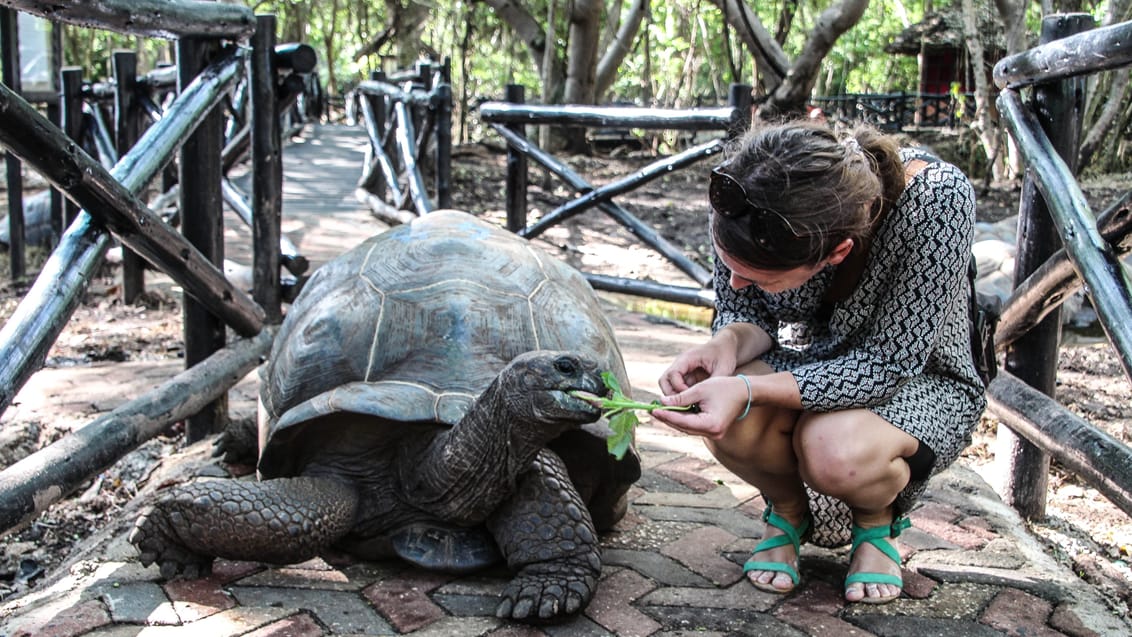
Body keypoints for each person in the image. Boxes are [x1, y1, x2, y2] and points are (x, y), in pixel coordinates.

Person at [652, 120, 987, 605]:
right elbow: (743, 311)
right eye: (731, 268)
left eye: (760, 277)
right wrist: (724, 345)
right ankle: (788, 512)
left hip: (916, 377)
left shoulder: (937, 198)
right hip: (806, 356)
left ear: (838, 252)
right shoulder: (741, 191)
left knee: (832, 447)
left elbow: (888, 362)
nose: (736, 282)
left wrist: (749, 390)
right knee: (721, 417)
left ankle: (876, 523)